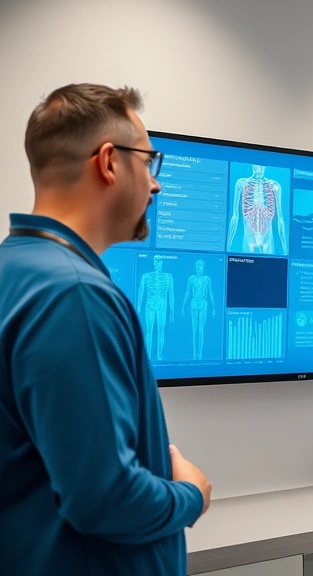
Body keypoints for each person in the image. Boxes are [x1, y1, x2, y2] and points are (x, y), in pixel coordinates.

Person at [0, 83, 212, 576]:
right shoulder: (74, 293)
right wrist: (190, 495)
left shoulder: (17, 271)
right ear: (110, 162)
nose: (155, 185)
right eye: (149, 162)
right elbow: (103, 497)